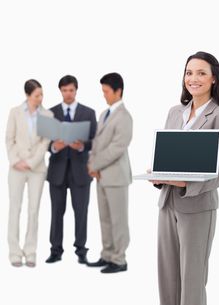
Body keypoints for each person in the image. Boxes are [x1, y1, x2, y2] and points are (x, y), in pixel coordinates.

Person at [150, 52, 219, 305]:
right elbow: (170, 156)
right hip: (167, 203)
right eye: (189, 73)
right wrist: (158, 174)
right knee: (168, 286)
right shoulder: (175, 112)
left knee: (192, 287)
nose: (193, 79)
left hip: (197, 208)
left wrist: (187, 182)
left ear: (214, 78)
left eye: (200, 73)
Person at [46, 75, 97, 264]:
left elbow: (95, 141)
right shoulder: (50, 113)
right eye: (64, 90)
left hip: (80, 171)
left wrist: (82, 146)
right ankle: (55, 250)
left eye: (71, 90)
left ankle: (81, 250)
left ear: (76, 90)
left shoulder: (88, 113)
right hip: (57, 170)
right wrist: (53, 146)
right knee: (56, 211)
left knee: (81, 211)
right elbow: (42, 141)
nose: (68, 94)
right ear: (60, 91)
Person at [87, 72, 133, 273]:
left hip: (116, 176)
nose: (104, 95)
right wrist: (92, 165)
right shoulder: (104, 114)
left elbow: (117, 148)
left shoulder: (124, 117)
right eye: (102, 91)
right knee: (105, 219)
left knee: (118, 220)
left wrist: (95, 164)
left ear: (118, 91)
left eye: (106, 91)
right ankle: (107, 255)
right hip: (102, 176)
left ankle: (119, 259)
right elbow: (97, 143)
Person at [6, 79, 53, 267]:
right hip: (16, 168)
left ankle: (30, 250)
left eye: (42, 94)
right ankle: (14, 252)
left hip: (37, 169)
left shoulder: (47, 115)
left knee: (33, 210)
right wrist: (16, 161)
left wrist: (31, 162)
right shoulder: (15, 112)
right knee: (14, 209)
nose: (40, 98)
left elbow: (45, 142)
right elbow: (9, 138)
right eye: (36, 95)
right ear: (27, 95)